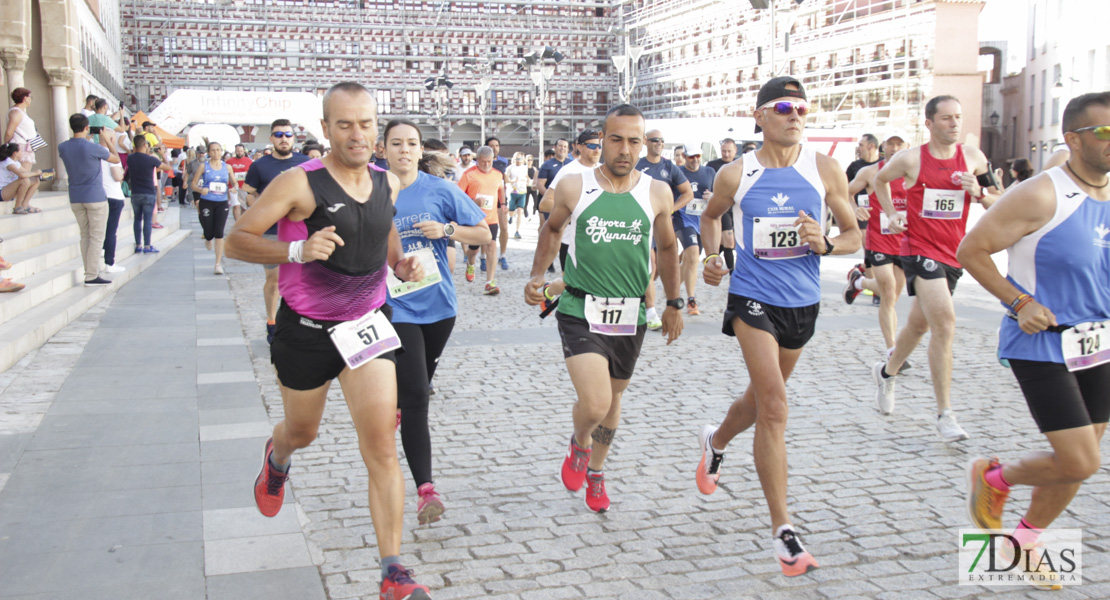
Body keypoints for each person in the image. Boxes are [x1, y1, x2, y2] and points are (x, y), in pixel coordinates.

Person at [225, 82, 431, 600]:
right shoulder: (300, 183)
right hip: (308, 333)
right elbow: (237, 241)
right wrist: (297, 252)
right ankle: (277, 457)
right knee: (303, 431)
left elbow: (384, 241)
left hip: (366, 326)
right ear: (326, 128)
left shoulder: (389, 184)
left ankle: (393, 570)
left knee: (382, 442)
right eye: (344, 124)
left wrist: (398, 264)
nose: (356, 134)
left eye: (365, 124)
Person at [694, 76, 861, 577]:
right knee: (775, 406)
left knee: (758, 400)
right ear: (760, 115)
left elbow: (855, 236)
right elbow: (710, 218)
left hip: (802, 305)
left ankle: (715, 441)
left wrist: (827, 245)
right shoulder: (735, 173)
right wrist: (710, 256)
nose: (796, 115)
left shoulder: (824, 169)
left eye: (803, 109)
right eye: (785, 107)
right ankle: (784, 533)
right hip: (753, 298)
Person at [958, 92, 1110, 591]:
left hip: (1098, 342)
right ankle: (994, 477)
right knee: (1080, 459)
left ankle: (1023, 543)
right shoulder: (1042, 194)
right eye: (1105, 133)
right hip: (1042, 343)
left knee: (1078, 464)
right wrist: (1019, 302)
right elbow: (972, 250)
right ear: (1073, 139)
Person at [524, 103, 684, 514]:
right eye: (616, 139)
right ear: (602, 140)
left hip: (630, 313)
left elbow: (666, 247)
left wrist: (674, 301)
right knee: (594, 404)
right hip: (579, 306)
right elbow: (552, 228)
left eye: (635, 140)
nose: (626, 149)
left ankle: (596, 471)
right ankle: (579, 443)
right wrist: (538, 277)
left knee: (612, 402)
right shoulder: (576, 185)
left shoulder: (657, 191)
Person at [871, 95, 1000, 441]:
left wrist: (979, 193)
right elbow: (879, 180)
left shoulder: (974, 158)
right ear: (929, 124)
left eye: (958, 117)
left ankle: (886, 371)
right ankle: (946, 414)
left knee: (918, 324)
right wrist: (892, 214)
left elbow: (999, 201)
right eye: (946, 118)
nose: (954, 124)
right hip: (919, 248)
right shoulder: (910, 159)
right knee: (944, 321)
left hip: (954, 252)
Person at [383, 118, 491, 524]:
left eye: (411, 143)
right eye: (396, 143)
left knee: (417, 384)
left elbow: (484, 234)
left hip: (440, 307)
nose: (404, 150)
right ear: (384, 149)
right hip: (396, 306)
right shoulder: (373, 189)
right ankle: (426, 490)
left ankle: (398, 405)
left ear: (419, 150)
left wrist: (447, 229)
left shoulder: (440, 189)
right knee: (416, 397)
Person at [242, 120, 312, 344]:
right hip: (271, 231)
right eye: (278, 134)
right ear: (271, 139)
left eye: (288, 135)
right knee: (273, 280)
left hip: (301, 231)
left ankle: (300, 322)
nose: (283, 138)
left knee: (302, 279)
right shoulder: (259, 166)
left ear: (294, 138)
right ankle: (272, 323)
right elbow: (248, 194)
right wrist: (261, 207)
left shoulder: (306, 163)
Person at [843, 132, 909, 359]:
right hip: (879, 240)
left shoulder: (916, 173)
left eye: (899, 143)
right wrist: (855, 210)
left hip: (905, 242)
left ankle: (858, 281)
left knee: (892, 295)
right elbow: (845, 193)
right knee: (888, 292)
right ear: (883, 147)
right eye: (890, 143)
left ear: (908, 146)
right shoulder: (870, 172)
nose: (895, 147)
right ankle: (893, 349)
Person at [635, 129, 693, 329]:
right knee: (650, 266)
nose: (659, 143)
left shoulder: (669, 167)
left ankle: (642, 297)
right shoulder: (638, 165)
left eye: (661, 140)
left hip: (664, 225)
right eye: (655, 140)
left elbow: (688, 193)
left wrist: (669, 210)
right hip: (642, 224)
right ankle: (650, 312)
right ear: (645, 142)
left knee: (659, 268)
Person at [57, 113, 121, 286]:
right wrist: (107, 140)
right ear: (86, 127)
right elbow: (115, 159)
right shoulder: (93, 147)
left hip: (75, 196)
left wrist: (88, 137)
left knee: (85, 235)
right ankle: (91, 275)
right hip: (95, 196)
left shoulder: (62, 147)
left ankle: (89, 272)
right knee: (96, 237)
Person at [538, 129, 604, 272]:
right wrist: (574, 211)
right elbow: (545, 203)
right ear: (579, 147)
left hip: (599, 239)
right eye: (592, 146)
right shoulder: (569, 171)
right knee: (569, 286)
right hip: (571, 240)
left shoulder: (605, 171)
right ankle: (551, 291)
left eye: (599, 146)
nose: (597, 150)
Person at [457, 146, 504, 295]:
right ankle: (471, 263)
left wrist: (503, 204)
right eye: (483, 162)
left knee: (491, 246)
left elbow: (500, 189)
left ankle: (489, 282)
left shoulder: (498, 174)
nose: (486, 165)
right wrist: (474, 201)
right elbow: (458, 197)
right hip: (474, 219)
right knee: (474, 250)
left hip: (491, 218)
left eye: (489, 161)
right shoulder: (468, 175)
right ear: (477, 160)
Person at [675, 143, 714, 315]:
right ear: (684, 157)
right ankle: (691, 300)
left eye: (698, 155)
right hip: (683, 218)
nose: (695, 159)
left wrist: (713, 196)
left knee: (691, 259)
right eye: (691, 156)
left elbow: (718, 193)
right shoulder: (678, 173)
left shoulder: (709, 172)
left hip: (702, 220)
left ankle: (673, 287)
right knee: (692, 253)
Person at [191, 141, 239, 274]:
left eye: (218, 150)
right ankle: (207, 237)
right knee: (209, 232)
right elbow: (193, 185)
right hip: (207, 201)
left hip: (222, 202)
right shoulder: (203, 166)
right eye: (213, 150)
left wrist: (234, 189)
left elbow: (235, 183)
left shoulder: (227, 167)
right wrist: (201, 191)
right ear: (209, 152)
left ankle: (218, 264)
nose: (216, 153)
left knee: (219, 232)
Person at [127, 135, 174, 254]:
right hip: (148, 192)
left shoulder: (130, 158)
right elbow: (167, 167)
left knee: (137, 219)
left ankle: (138, 245)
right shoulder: (151, 159)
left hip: (135, 192)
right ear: (144, 145)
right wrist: (162, 154)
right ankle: (147, 246)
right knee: (147, 220)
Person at [707, 138, 738, 272]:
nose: (726, 154)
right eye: (723, 151)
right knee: (729, 239)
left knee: (725, 243)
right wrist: (709, 195)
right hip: (721, 207)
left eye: (729, 151)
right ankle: (732, 273)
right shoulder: (712, 165)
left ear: (735, 151)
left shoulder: (741, 165)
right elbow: (706, 185)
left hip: (737, 207)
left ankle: (712, 260)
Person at [4, 88, 41, 197]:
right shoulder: (16, 112)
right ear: (25, 98)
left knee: (26, 175)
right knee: (24, 175)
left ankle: (22, 202)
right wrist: (6, 145)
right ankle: (19, 202)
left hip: (26, 146)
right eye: (30, 97)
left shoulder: (21, 112)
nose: (31, 100)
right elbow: (9, 131)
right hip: (20, 146)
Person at [100, 145, 127, 274]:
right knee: (111, 230)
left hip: (101, 195)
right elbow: (118, 176)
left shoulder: (94, 152)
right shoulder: (109, 154)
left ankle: (104, 250)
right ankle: (109, 262)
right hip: (114, 195)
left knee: (104, 228)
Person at [1, 142, 41, 214]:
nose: (22, 153)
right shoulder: (7, 162)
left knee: (35, 180)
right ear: (15, 153)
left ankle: (25, 205)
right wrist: (35, 173)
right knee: (24, 181)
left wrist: (39, 174)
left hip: (10, 191)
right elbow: (21, 175)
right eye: (20, 151)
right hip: (2, 192)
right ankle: (17, 207)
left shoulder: (16, 163)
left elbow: (27, 173)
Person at [226, 144, 254, 221]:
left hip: (244, 186)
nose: (240, 153)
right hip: (233, 187)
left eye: (241, 151)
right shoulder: (229, 161)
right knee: (236, 205)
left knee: (244, 206)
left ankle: (242, 222)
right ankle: (237, 223)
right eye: (238, 151)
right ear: (235, 151)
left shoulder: (249, 161)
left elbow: (252, 173)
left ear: (244, 151)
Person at [506, 153, 530, 239]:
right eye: (517, 159)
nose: (518, 161)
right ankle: (511, 216)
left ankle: (517, 231)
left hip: (522, 192)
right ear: (514, 159)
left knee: (520, 211)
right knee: (511, 211)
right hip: (513, 192)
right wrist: (512, 180)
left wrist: (527, 180)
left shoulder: (525, 167)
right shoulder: (510, 168)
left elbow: (526, 176)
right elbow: (506, 179)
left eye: (520, 159)